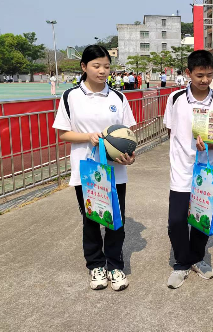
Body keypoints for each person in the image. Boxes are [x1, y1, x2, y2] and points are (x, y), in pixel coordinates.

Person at [52, 44, 137, 292]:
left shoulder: (118, 97)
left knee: (115, 220)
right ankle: (96, 266)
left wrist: (131, 156)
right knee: (91, 219)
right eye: (96, 66)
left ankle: (115, 266)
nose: (102, 71)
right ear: (84, 67)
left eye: (107, 66)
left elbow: (129, 134)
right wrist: (87, 137)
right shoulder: (70, 97)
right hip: (86, 171)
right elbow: (63, 134)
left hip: (115, 170)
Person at [163, 50, 213, 289]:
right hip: (181, 169)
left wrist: (210, 144)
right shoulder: (175, 99)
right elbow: (171, 132)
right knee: (177, 220)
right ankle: (182, 262)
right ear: (188, 73)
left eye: (209, 75)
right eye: (199, 75)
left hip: (208, 170)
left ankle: (198, 258)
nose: (204, 80)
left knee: (201, 219)